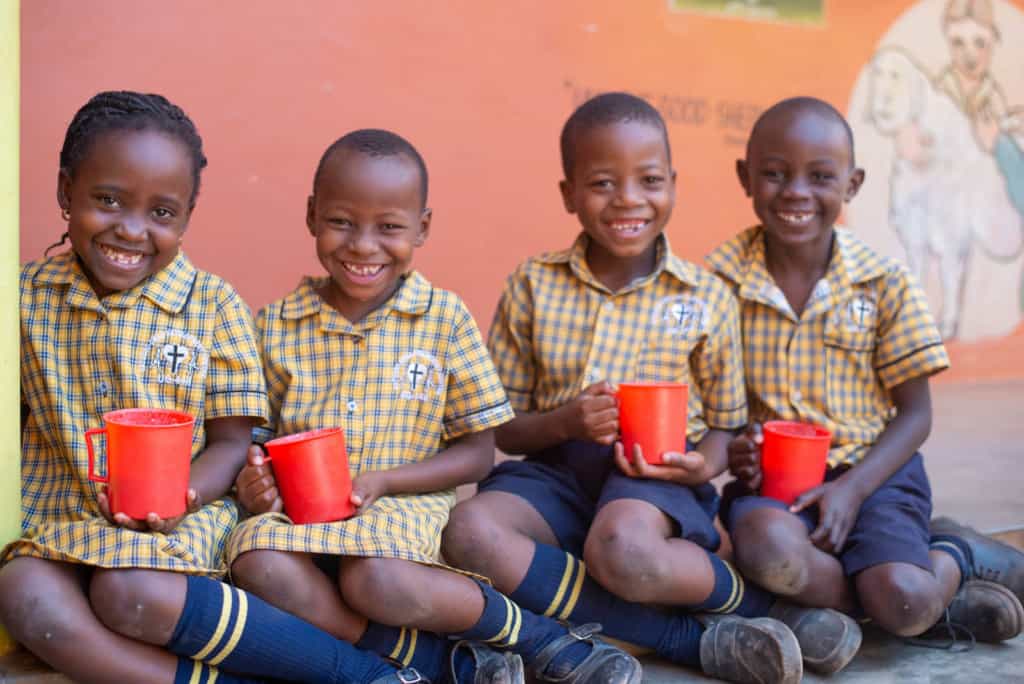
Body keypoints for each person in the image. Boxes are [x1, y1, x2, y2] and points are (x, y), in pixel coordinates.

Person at [0, 91, 432, 684]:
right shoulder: (22, 297)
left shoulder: (211, 306)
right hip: (56, 516)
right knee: (23, 595)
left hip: (179, 517)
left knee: (131, 593)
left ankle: (359, 675)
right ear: (64, 192)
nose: (131, 230)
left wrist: (183, 498)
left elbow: (232, 442)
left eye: (162, 213)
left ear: (186, 217)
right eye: (107, 201)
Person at [442, 92, 858, 684]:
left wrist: (698, 468)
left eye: (650, 180)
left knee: (624, 549)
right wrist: (566, 422)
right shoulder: (534, 285)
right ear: (568, 194)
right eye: (603, 183)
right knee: (469, 531)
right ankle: (694, 638)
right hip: (554, 472)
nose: (629, 200)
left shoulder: (704, 294)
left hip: (652, 481)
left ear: (674, 185)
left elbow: (723, 423)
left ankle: (754, 605)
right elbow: (501, 425)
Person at [227, 128, 642, 684]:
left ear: (422, 227)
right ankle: (431, 666)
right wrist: (256, 483)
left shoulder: (444, 320)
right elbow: (256, 441)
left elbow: (477, 455)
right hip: (301, 515)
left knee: (375, 580)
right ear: (311, 217)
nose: (363, 246)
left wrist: (386, 482)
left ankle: (536, 636)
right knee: (256, 562)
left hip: (406, 507)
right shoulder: (273, 326)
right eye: (341, 222)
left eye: (390, 227)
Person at [711, 96, 1024, 648]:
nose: (796, 193)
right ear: (745, 177)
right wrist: (740, 446)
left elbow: (916, 415)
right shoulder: (719, 282)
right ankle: (897, 603)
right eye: (775, 175)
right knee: (766, 550)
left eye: (821, 176)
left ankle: (953, 554)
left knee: (905, 601)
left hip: (875, 475)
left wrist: (853, 489)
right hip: (776, 487)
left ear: (852, 184)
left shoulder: (885, 283)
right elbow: (715, 409)